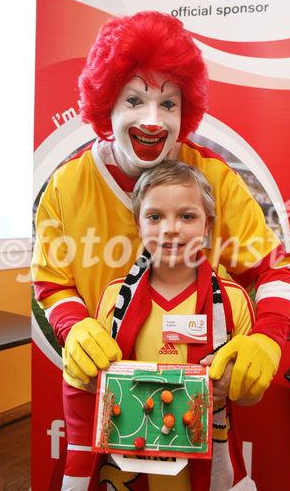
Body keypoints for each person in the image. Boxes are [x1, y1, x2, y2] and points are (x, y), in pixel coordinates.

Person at [31, 9, 290, 490]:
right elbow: (52, 280)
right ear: (106, 103)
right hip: (106, 412)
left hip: (197, 419)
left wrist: (267, 337)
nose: (153, 121)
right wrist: (76, 329)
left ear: (184, 111)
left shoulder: (214, 176)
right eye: (134, 99)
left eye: (168, 104)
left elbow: (274, 267)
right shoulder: (66, 185)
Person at [64, 160, 259, 490]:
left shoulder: (233, 300)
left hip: (205, 467)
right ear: (138, 224)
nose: (171, 228)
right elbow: (93, 386)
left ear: (208, 224)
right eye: (155, 217)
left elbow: (253, 393)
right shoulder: (114, 297)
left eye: (187, 216)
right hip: (129, 467)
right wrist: (84, 373)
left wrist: (234, 382)